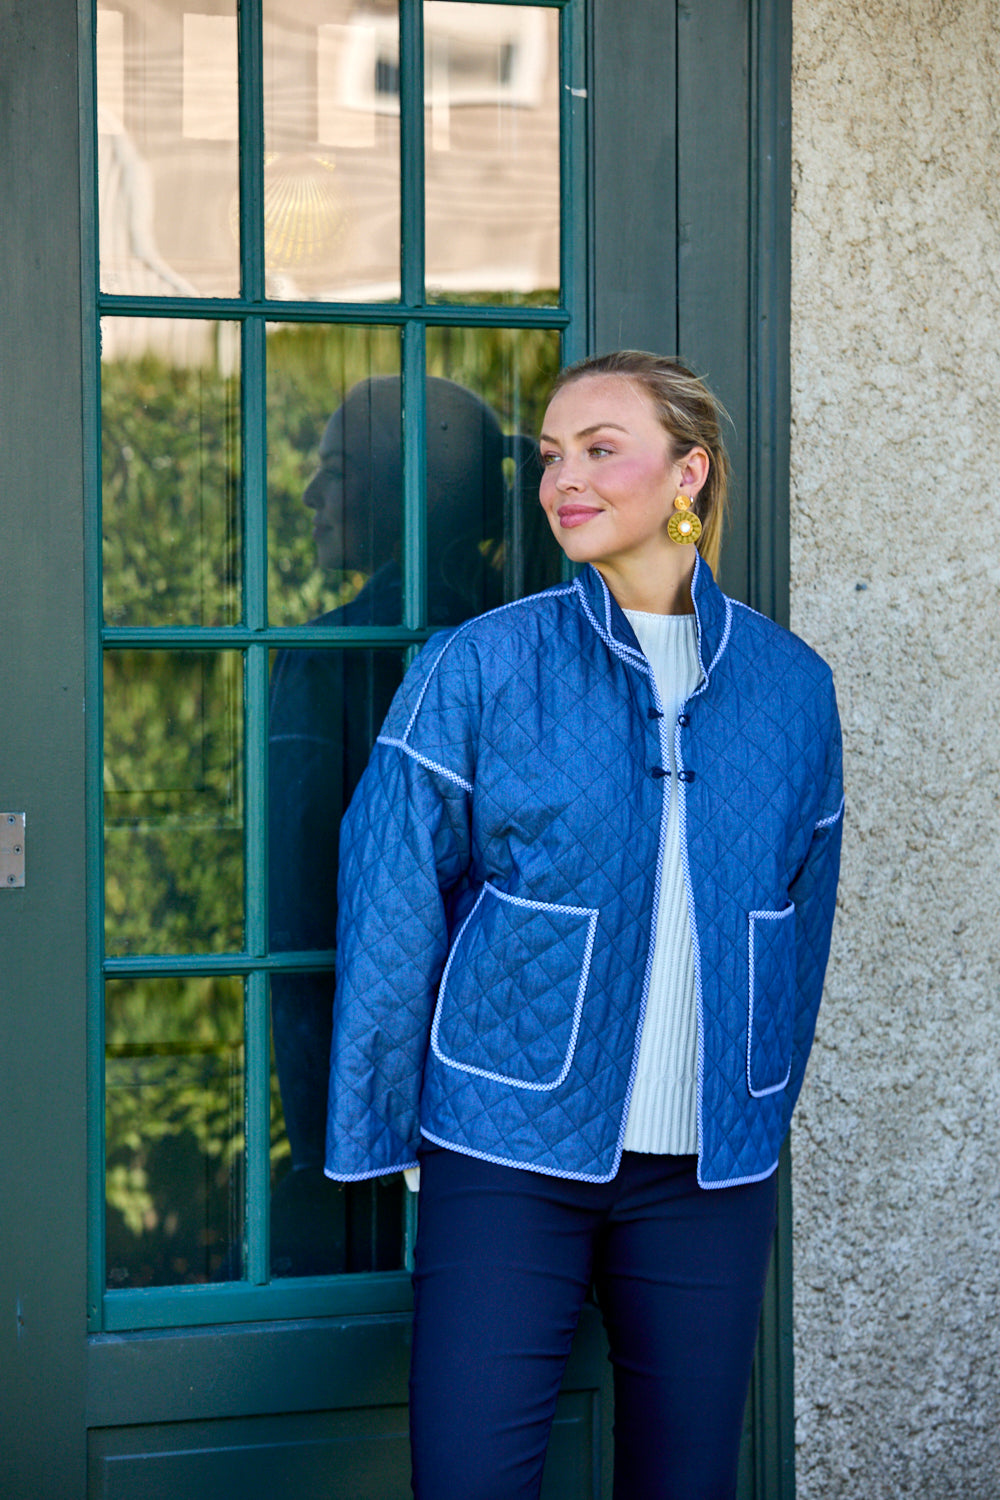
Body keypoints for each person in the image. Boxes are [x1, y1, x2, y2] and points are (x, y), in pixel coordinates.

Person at [325, 351, 844, 1497]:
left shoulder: (790, 686)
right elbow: (394, 898)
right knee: (469, 1475)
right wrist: (392, 1128)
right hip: (503, 1140)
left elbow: (799, 920)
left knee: (689, 1479)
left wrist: (757, 1095)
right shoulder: (480, 668)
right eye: (554, 453)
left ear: (687, 474)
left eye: (601, 448)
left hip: (707, 1169)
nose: (565, 477)